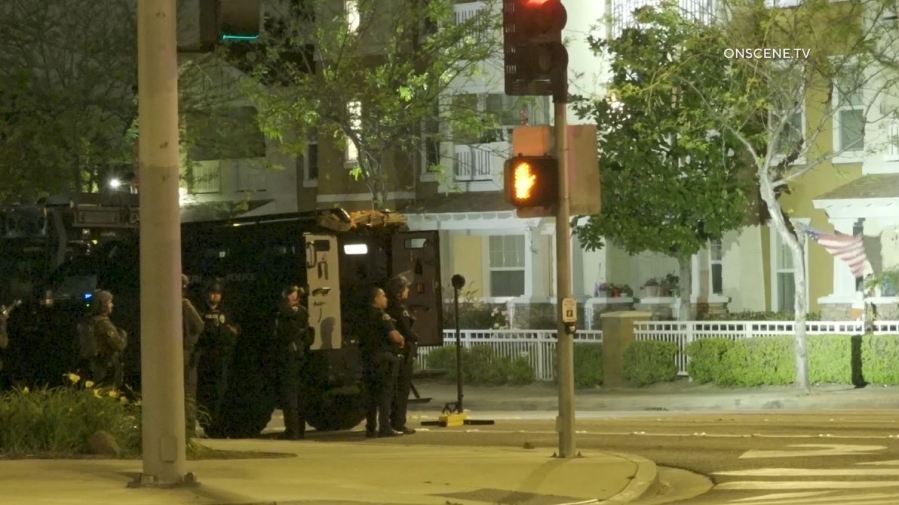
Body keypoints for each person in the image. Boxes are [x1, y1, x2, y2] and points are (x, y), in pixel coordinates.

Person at [359, 286, 405, 438]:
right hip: (383, 359)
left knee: (370, 396)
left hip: (367, 359)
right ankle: (384, 427)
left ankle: (370, 428)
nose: (386, 299)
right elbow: (394, 337)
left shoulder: (363, 315)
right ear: (376, 299)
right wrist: (401, 339)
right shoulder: (381, 316)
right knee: (385, 395)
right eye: (383, 296)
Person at [196, 280, 239, 431]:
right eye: (213, 293)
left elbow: (232, 332)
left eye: (218, 294)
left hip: (222, 358)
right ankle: (207, 424)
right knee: (205, 394)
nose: (215, 296)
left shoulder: (225, 312)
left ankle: (219, 426)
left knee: (220, 393)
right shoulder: (200, 311)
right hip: (205, 358)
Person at [274, 284, 312, 439]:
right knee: (298, 394)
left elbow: (281, 330)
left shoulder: (286, 311)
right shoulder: (303, 311)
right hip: (300, 354)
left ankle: (292, 430)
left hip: (288, 355)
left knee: (289, 395)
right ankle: (299, 429)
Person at [385, 276, 418, 435]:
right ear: (399, 291)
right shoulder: (398, 308)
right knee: (402, 389)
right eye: (405, 288)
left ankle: (395, 422)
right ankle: (398, 422)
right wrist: (415, 337)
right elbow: (406, 331)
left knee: (395, 390)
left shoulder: (389, 307)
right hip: (402, 353)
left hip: (397, 353)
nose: (408, 290)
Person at [78, 290, 127, 388]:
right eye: (109, 302)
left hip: (94, 366)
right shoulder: (103, 324)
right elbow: (119, 345)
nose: (112, 305)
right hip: (106, 367)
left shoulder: (89, 321)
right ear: (103, 304)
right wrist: (123, 335)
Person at [182, 275, 205, 436]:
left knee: (188, 393)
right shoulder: (182, 304)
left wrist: (189, 342)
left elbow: (199, 325)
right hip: (182, 350)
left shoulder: (184, 305)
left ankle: (188, 430)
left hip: (185, 352)